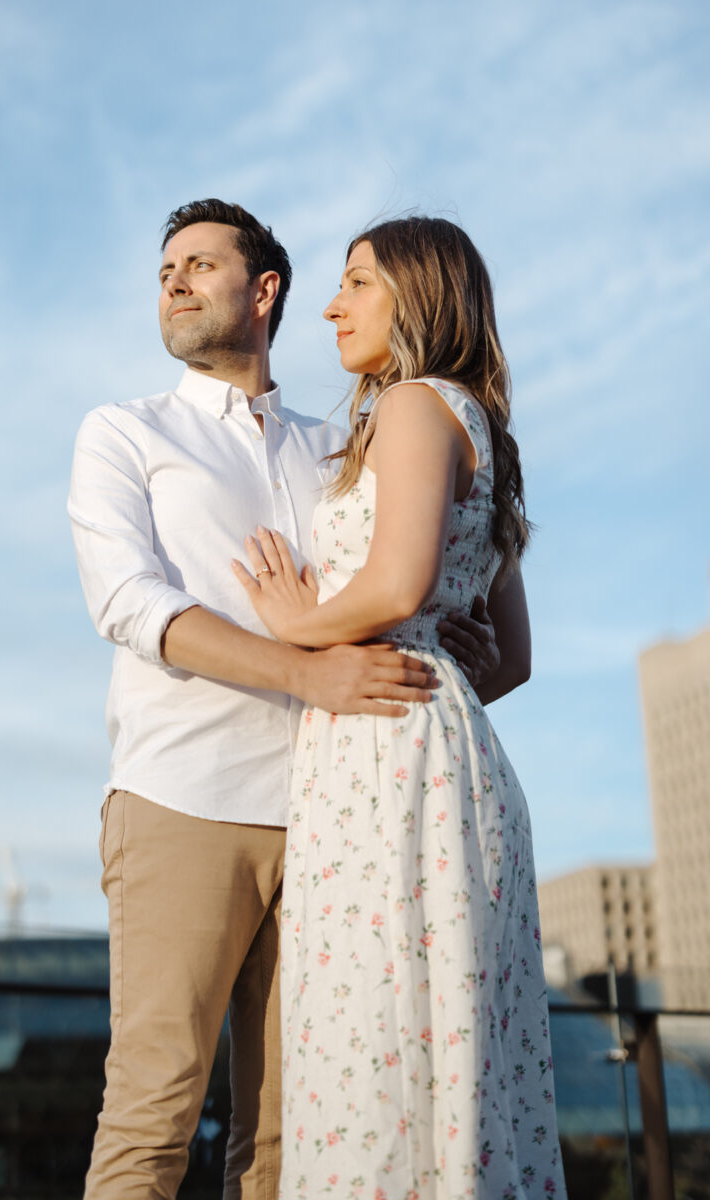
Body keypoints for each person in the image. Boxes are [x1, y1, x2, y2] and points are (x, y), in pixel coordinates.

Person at [68, 200, 508, 1199]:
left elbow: (404, 591)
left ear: (263, 290)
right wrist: (306, 668)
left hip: (337, 816)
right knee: (153, 1110)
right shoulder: (124, 433)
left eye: (197, 264)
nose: (172, 280)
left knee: (286, 1135)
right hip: (183, 798)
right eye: (164, 268)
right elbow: (130, 604)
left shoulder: (339, 447)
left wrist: (451, 647)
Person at [233, 217, 567, 1198]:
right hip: (435, 740)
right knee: (438, 1052)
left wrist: (293, 623)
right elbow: (509, 658)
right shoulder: (483, 432)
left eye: (356, 283)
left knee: (379, 1046)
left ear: (419, 297)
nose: (332, 306)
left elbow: (393, 581)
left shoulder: (415, 408)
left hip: (387, 764)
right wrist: (424, 636)